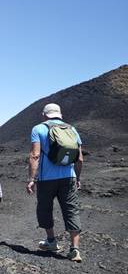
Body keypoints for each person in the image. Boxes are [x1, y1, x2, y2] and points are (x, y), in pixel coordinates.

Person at [26, 102, 83, 262]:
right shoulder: (72, 130)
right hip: (69, 177)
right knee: (71, 209)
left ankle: (51, 241)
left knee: (45, 208)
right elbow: (79, 158)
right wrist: (77, 177)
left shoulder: (38, 129)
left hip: (46, 179)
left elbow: (35, 155)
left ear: (44, 115)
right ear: (60, 115)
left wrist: (32, 179)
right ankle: (74, 249)